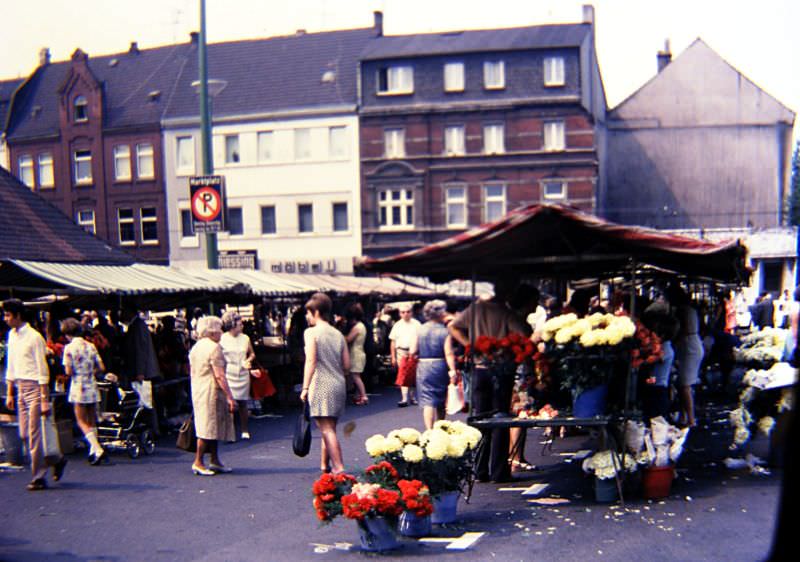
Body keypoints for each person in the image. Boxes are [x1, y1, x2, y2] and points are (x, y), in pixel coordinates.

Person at [449, 281, 536, 482]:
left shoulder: (475, 309)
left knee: (481, 419)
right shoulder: (505, 313)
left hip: (479, 369)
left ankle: (479, 470)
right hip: (501, 369)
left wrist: (470, 345)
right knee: (500, 419)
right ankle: (498, 472)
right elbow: (524, 334)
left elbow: (453, 327)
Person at [3, 299, 67, 490]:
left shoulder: (34, 337)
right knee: (24, 434)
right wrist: (9, 393)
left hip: (34, 388)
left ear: (18, 315)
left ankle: (38, 476)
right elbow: (11, 365)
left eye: (8, 315)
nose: (5, 318)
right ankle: (57, 459)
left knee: (34, 434)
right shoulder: (11, 336)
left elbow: (42, 369)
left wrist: (44, 398)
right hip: (19, 387)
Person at [299, 293, 350, 474]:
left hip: (321, 383)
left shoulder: (311, 333)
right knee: (330, 428)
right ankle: (324, 465)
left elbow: (311, 361)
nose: (307, 316)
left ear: (316, 312)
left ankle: (339, 467)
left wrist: (305, 387)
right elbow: (347, 365)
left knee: (326, 429)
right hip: (338, 383)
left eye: (308, 313)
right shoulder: (338, 334)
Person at [188, 316, 237, 476]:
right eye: (219, 330)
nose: (222, 333)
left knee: (209, 425)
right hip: (211, 391)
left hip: (198, 389)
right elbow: (220, 376)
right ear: (212, 331)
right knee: (207, 427)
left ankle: (214, 460)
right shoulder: (214, 348)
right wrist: (230, 396)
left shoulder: (196, 347)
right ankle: (198, 461)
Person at [60, 317, 107, 464]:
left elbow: (68, 371)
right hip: (91, 383)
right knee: (91, 419)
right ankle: (93, 452)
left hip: (78, 385)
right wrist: (90, 371)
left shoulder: (68, 348)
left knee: (81, 420)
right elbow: (101, 367)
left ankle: (97, 448)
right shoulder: (90, 346)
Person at [411, 300, 457, 429]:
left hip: (424, 365)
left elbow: (412, 350)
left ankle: (429, 430)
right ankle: (440, 427)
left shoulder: (419, 329)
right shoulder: (445, 331)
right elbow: (448, 353)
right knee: (441, 399)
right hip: (440, 365)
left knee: (428, 400)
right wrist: (452, 370)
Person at [667, 284, 704, 428]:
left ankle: (691, 419)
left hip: (689, 346)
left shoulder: (682, 310)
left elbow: (681, 330)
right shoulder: (689, 309)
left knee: (684, 385)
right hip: (691, 344)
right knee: (683, 383)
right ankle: (684, 416)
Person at [220, 311, 256, 440]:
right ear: (232, 325)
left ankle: (245, 429)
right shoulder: (222, 338)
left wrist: (249, 360)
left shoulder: (245, 338)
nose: (242, 326)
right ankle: (229, 432)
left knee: (243, 402)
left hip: (243, 372)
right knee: (229, 403)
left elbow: (252, 354)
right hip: (228, 372)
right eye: (240, 324)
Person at [389, 302, 421, 407]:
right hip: (401, 352)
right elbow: (393, 342)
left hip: (414, 352)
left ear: (411, 313)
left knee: (412, 375)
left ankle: (412, 397)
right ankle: (404, 398)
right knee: (403, 375)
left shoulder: (417, 324)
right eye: (403, 312)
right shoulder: (397, 325)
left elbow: (421, 339)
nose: (406, 314)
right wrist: (393, 356)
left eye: (408, 312)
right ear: (400, 314)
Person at [344, 303, 369, 406]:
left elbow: (348, 339)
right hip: (360, 352)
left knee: (355, 376)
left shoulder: (357, 327)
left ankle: (363, 396)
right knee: (357, 376)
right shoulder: (362, 326)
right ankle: (358, 395)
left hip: (355, 353)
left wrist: (338, 334)